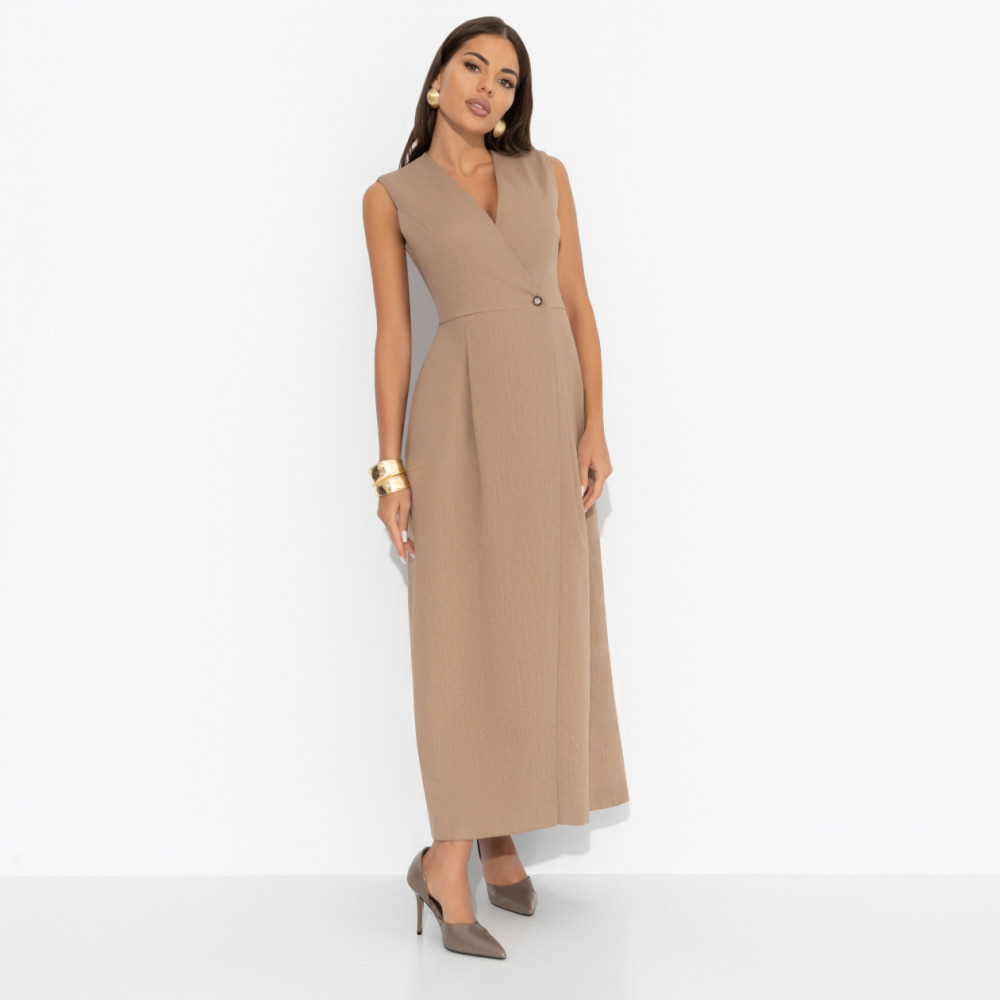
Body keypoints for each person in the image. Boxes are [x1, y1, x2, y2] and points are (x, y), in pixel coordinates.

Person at [362, 16, 629, 960]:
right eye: (473, 67)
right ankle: (451, 858)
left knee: (537, 621)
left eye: (507, 79)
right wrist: (389, 469)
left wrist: (595, 424)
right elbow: (395, 336)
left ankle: (500, 835)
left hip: (548, 413)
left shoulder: (545, 175)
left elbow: (579, 304)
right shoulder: (392, 196)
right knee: (465, 629)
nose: (489, 87)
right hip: (460, 418)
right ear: (438, 80)